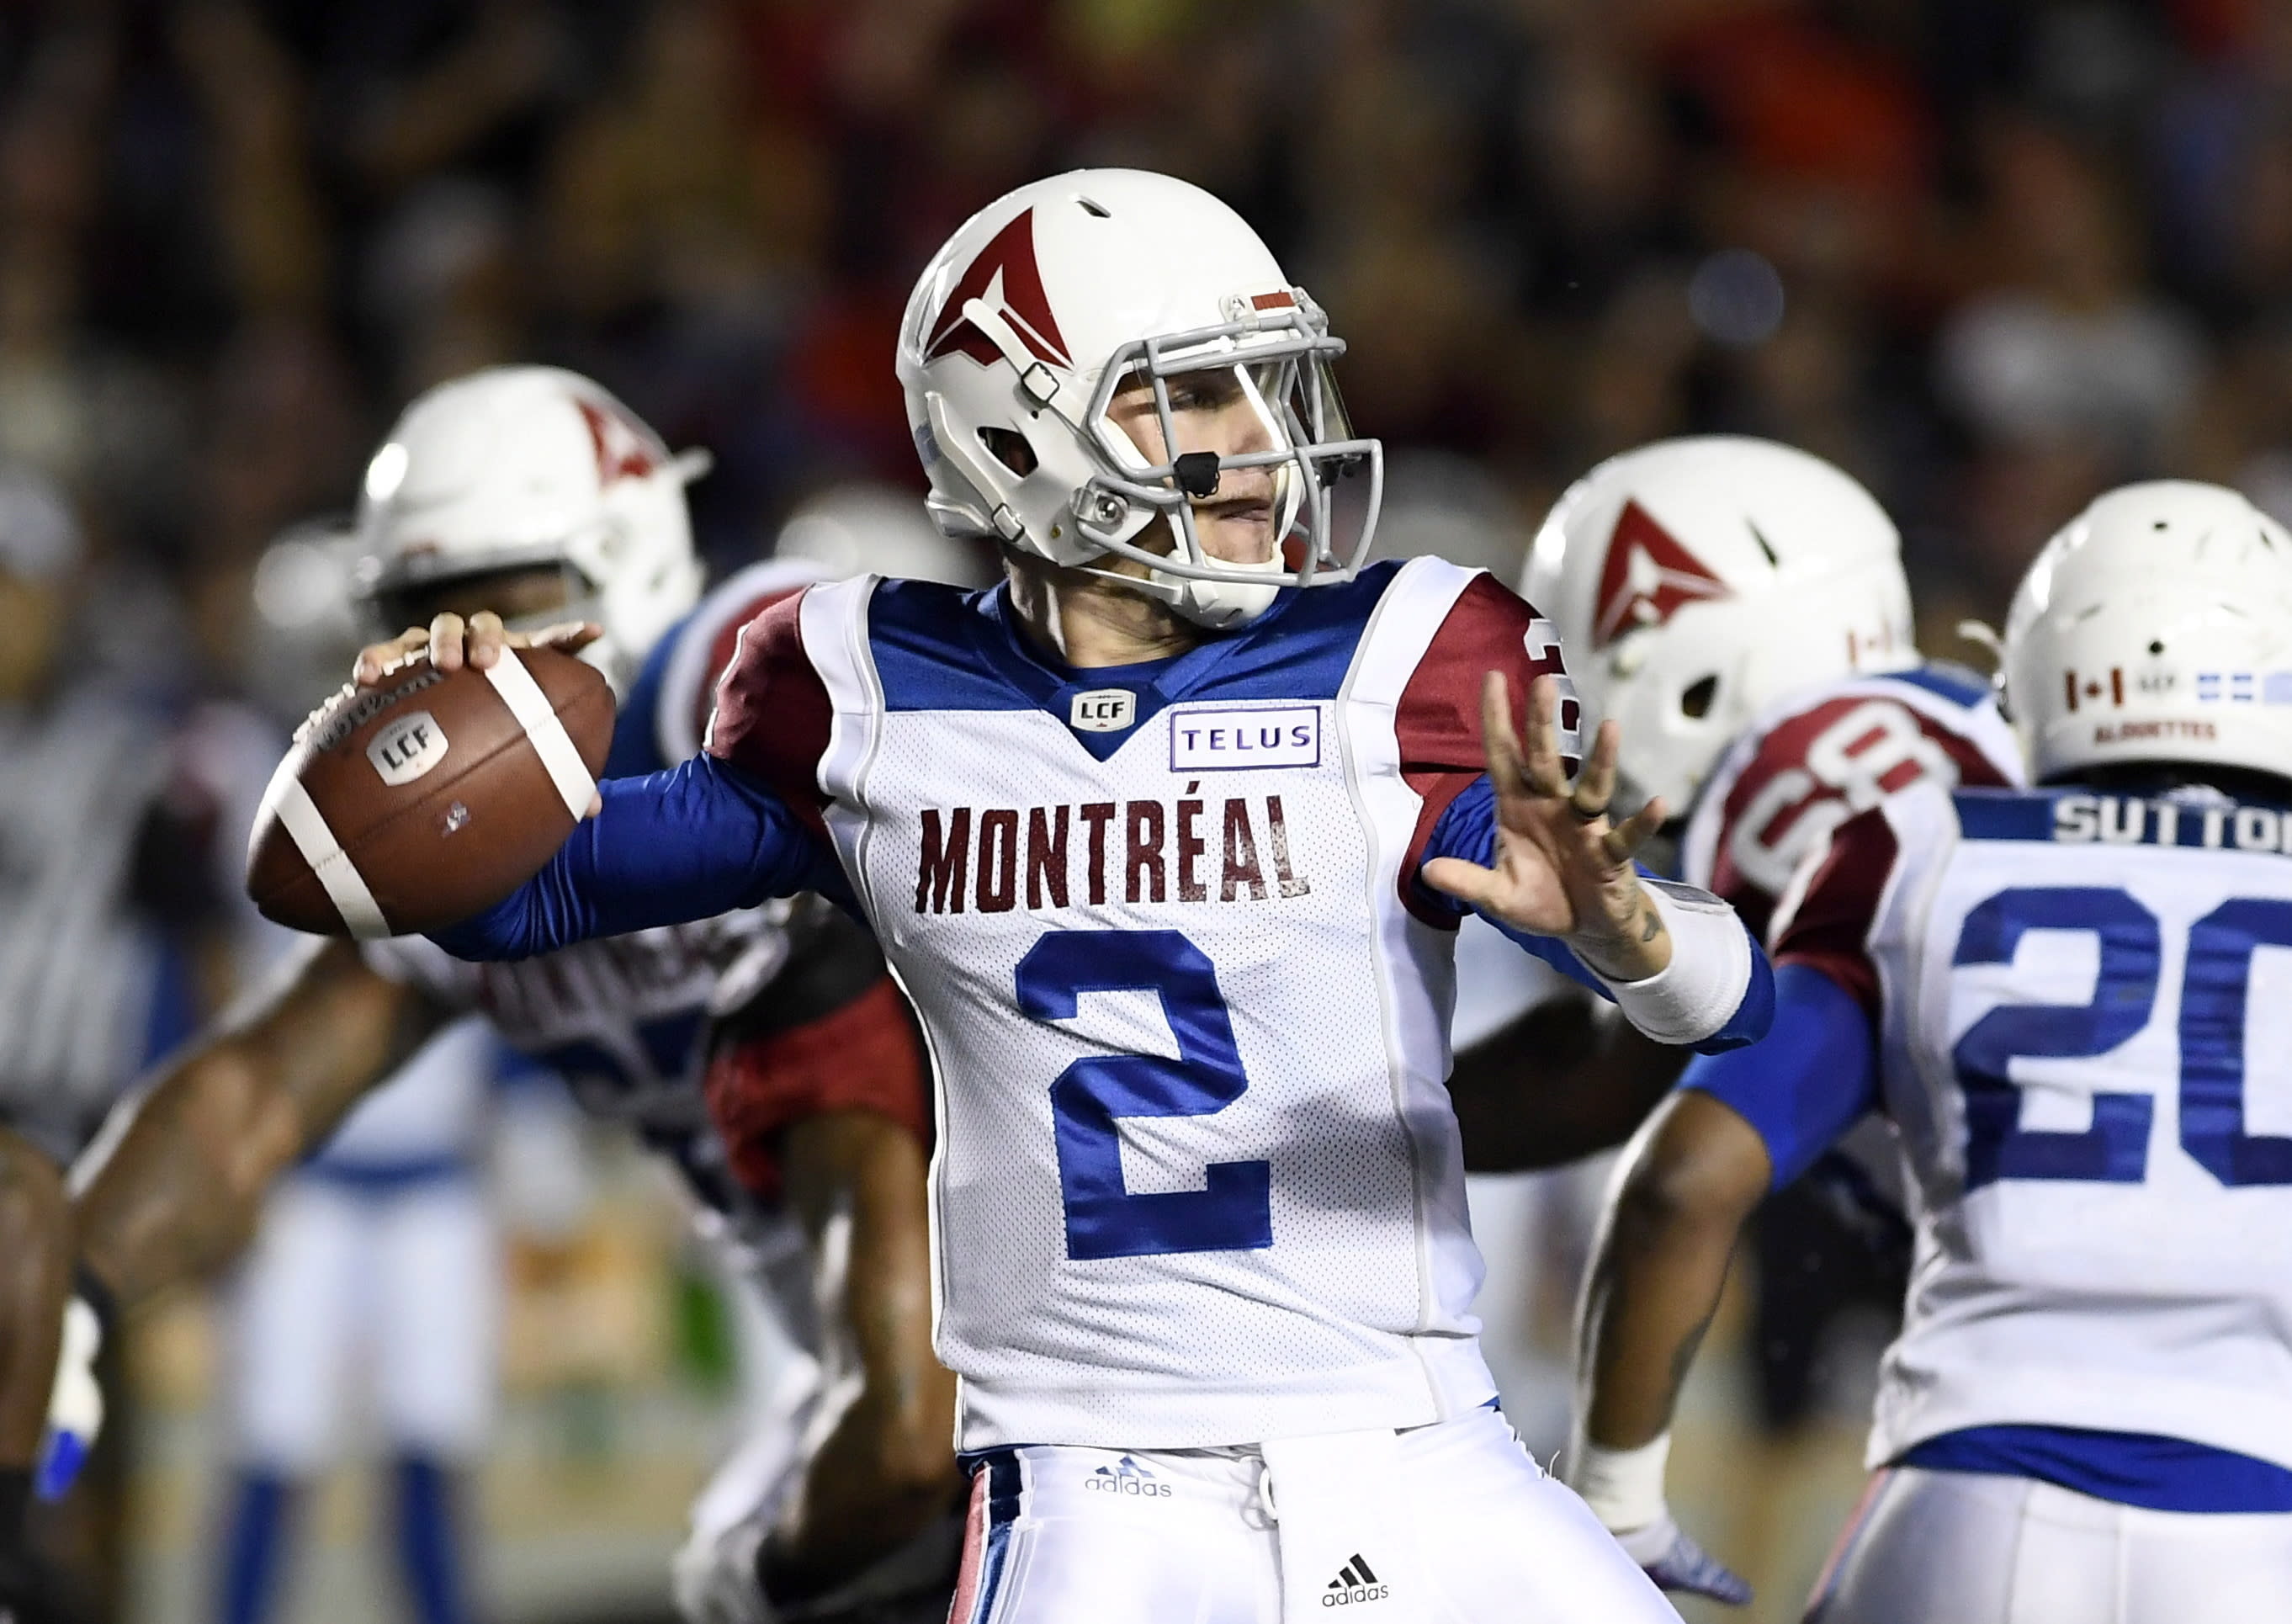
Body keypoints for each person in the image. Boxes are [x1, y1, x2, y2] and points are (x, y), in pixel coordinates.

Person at [409, 167, 1773, 1623]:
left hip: (1421, 1443)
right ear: (1019, 430)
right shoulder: (864, 692)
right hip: (1096, 1488)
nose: (1265, 446)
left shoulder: (1403, 659)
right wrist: (418, 745)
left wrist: (1629, 928)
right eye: (1192, 398)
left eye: (1269, 388)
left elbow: (1726, 998)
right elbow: (508, 902)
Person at [33, 368, 960, 1624]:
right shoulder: (461, 837)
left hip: (1036, 1338)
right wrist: (65, 1298)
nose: (455, 651)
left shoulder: (739, 680)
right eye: (417, 609)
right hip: (854, 1348)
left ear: (626, 563)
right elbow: (253, 1091)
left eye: (494, 598)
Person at [1573, 480, 2292, 1621]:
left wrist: (1614, 1507)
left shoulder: (1917, 841)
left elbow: (1681, 1184)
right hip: (2262, 1526)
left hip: (1971, 1504)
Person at [1430, 438, 2025, 1598]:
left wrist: (1611, 1501)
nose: (1559, 698)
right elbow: (1630, 1058)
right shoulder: (1981, 726)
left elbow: (1663, 1140)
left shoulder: (1798, 799)